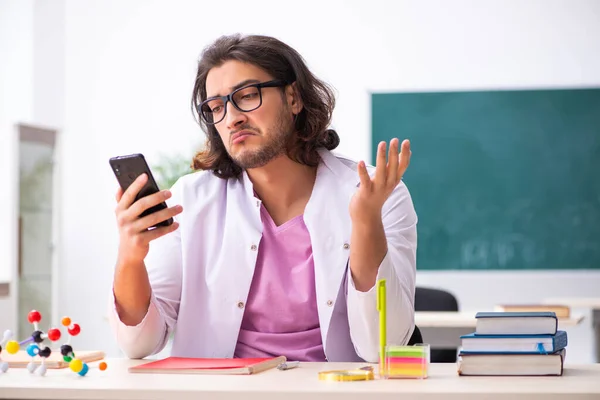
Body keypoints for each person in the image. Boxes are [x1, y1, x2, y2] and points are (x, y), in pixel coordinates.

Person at [108, 33, 417, 363]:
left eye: (247, 95)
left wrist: (367, 221)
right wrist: (130, 256)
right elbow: (139, 343)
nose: (232, 117)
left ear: (294, 98)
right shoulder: (191, 200)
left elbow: (382, 346)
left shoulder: (377, 194)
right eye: (216, 107)